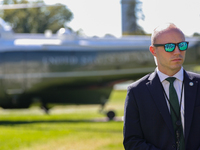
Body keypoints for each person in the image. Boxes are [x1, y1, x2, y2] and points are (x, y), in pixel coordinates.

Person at [123, 23, 200, 150]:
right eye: (169, 47)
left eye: (182, 45)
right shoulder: (136, 92)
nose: (177, 52)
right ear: (153, 51)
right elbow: (132, 141)